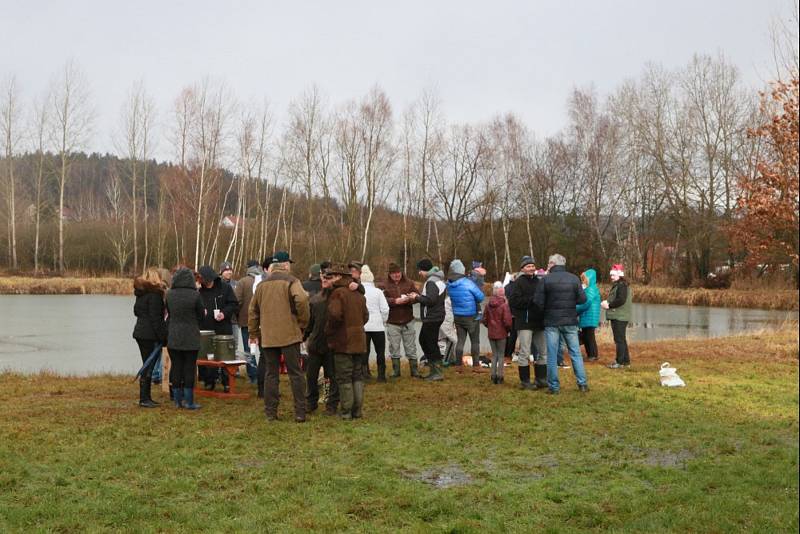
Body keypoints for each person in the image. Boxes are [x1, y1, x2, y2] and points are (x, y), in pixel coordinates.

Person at [249, 250, 310, 422]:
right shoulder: (292, 281)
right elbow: (303, 301)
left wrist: (254, 332)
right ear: (285, 265)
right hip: (290, 334)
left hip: (268, 336)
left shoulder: (261, 285)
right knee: (295, 374)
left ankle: (270, 412)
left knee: (271, 374)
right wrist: (302, 324)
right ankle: (300, 412)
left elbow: (252, 311)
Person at [533, 254, 589, 394]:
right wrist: (570, 303)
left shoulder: (545, 280)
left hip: (551, 321)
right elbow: (583, 299)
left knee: (551, 355)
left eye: (548, 263)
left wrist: (546, 310)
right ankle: (582, 384)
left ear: (552, 264)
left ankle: (554, 387)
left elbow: (537, 302)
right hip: (570, 321)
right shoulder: (574, 279)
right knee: (575, 353)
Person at [325, 263, 369, 420]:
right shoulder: (358, 294)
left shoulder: (338, 293)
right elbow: (366, 317)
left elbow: (335, 315)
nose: (330, 278)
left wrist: (329, 331)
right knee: (357, 376)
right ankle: (357, 411)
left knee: (344, 377)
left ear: (340, 277)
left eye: (333, 276)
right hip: (359, 340)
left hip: (343, 342)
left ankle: (346, 412)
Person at [165, 267, 205, 409]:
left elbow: (169, 313)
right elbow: (201, 315)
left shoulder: (169, 294)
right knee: (189, 368)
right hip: (191, 336)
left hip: (174, 335)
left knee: (176, 367)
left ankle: (176, 401)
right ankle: (189, 402)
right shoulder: (195, 295)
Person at [304, 268, 340, 415]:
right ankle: (311, 403)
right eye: (323, 277)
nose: (325, 279)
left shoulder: (339, 298)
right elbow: (310, 323)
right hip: (316, 344)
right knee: (311, 376)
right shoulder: (315, 299)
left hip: (333, 344)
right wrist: (304, 336)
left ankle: (331, 405)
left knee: (332, 376)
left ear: (335, 279)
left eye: (328, 277)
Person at [507, 256, 547, 390]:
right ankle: (525, 381)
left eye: (532, 266)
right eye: (528, 266)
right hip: (524, 322)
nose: (531, 268)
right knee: (524, 352)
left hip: (539, 321)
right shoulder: (518, 283)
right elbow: (513, 301)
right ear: (523, 268)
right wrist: (531, 300)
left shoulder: (540, 281)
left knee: (543, 351)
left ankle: (541, 379)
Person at [197, 265, 239, 392]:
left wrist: (224, 313)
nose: (207, 283)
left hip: (223, 327)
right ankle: (209, 381)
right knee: (206, 355)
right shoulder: (198, 291)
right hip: (205, 328)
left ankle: (227, 382)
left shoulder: (225, 288)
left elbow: (234, 304)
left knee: (225, 355)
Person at [132, 268, 168, 408]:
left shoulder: (140, 294)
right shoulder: (155, 295)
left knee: (147, 365)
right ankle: (144, 398)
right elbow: (156, 319)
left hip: (140, 332)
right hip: (149, 335)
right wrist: (163, 337)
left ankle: (145, 397)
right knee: (149, 366)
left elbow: (136, 311)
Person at [382, 262, 419, 378]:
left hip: (408, 320)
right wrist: (394, 301)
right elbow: (382, 300)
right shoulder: (384, 284)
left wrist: (410, 299)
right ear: (390, 274)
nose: (397, 275)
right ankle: (396, 371)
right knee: (394, 347)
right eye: (394, 273)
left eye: (398, 272)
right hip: (392, 321)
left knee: (411, 346)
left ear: (401, 272)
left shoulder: (409, 283)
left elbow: (418, 297)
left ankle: (414, 371)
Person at [412, 260, 447, 381]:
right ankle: (434, 369)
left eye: (420, 270)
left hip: (432, 317)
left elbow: (431, 300)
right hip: (436, 316)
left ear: (424, 269)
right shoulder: (438, 279)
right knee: (425, 340)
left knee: (429, 343)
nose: (419, 273)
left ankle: (437, 372)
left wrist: (416, 297)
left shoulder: (431, 282)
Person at [447, 259, 485, 368]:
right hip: (471, 316)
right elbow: (481, 297)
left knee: (460, 341)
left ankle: (458, 366)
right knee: (475, 341)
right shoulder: (467, 283)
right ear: (460, 270)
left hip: (457, 316)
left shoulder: (449, 284)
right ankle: (476, 366)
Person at [234, 260, 262, 384]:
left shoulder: (242, 282)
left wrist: (237, 315)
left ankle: (254, 375)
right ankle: (264, 373)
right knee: (264, 349)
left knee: (249, 349)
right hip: (264, 322)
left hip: (247, 321)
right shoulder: (264, 281)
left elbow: (237, 301)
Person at [360, 265, 390, 382]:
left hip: (364, 326)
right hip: (378, 326)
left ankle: (364, 375)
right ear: (372, 279)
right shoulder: (378, 292)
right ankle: (381, 376)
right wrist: (383, 320)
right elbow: (385, 309)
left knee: (364, 352)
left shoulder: (360, 292)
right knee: (380, 351)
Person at [482, 281, 513, 385]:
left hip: (491, 333)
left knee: (494, 355)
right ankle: (500, 377)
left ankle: (493, 375)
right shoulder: (504, 305)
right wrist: (508, 330)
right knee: (501, 355)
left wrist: (490, 327)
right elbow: (508, 321)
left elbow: (484, 320)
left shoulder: (487, 305)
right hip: (501, 333)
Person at [602, 264, 632, 368]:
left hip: (620, 316)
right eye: (611, 275)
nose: (611, 277)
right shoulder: (620, 284)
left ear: (619, 275)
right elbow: (618, 299)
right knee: (621, 339)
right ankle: (626, 361)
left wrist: (608, 305)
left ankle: (619, 362)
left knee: (619, 340)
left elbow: (621, 300)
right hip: (619, 315)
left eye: (613, 275)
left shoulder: (622, 285)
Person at [576, 268, 601, 362]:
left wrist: (575, 310)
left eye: (584, 279)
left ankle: (593, 355)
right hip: (587, 315)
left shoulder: (591, 289)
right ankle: (590, 354)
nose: (583, 280)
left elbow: (586, 303)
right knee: (587, 335)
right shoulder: (588, 288)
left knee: (589, 336)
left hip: (590, 316)